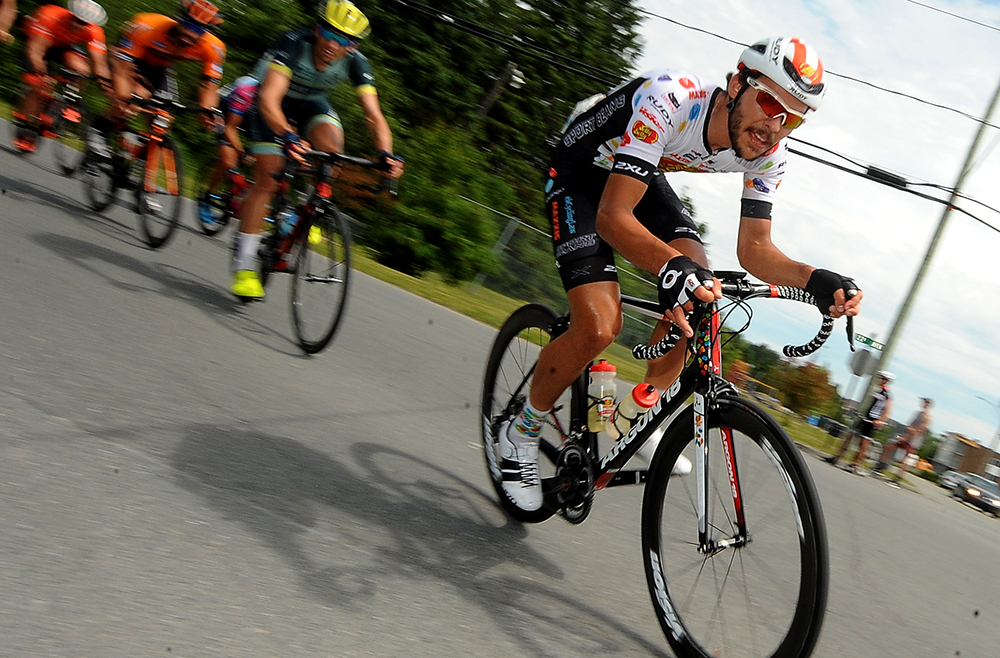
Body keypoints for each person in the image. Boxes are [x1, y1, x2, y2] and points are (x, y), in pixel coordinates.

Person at [499, 37, 863, 512]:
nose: (775, 126)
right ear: (736, 84)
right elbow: (612, 216)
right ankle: (520, 432)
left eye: (791, 118)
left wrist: (815, 280)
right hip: (581, 173)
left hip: (638, 175)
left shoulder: (770, 153)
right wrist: (669, 265)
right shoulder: (671, 98)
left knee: (702, 288)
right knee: (599, 325)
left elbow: (755, 250)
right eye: (771, 102)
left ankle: (634, 413)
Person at [230, 0, 403, 300]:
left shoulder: (357, 63)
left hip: (312, 104)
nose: (332, 44)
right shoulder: (294, 43)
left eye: (343, 40)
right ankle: (244, 266)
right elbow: (270, 98)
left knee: (332, 153)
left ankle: (303, 211)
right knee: (269, 178)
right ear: (316, 29)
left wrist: (386, 153)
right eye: (328, 33)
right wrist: (286, 135)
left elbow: (373, 115)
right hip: (271, 102)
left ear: (352, 46)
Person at [95, 0, 225, 151]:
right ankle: (99, 130)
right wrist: (123, 98)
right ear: (178, 20)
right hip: (127, 60)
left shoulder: (214, 48)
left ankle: (139, 156)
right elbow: (122, 69)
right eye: (188, 26)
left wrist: (207, 111)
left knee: (163, 118)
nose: (191, 33)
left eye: (199, 31)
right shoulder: (147, 25)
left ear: (207, 33)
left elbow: (210, 85)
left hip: (160, 68)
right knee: (132, 97)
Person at [12, 0, 112, 153]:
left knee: (82, 69)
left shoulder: (95, 31)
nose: (79, 25)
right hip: (37, 41)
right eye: (76, 20)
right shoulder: (50, 15)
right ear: (70, 14)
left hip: (63, 45)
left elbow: (100, 64)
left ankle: (70, 103)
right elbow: (36, 50)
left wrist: (106, 85)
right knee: (38, 83)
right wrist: (41, 74)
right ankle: (28, 127)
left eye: (84, 23)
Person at [197, 74, 258, 229]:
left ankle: (238, 189)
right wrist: (242, 153)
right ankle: (207, 197)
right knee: (228, 160)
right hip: (224, 111)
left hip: (248, 117)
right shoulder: (246, 91)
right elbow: (230, 128)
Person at [824, 371, 894, 475]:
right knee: (849, 436)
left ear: (887, 381)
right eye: (880, 378)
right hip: (865, 418)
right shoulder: (878, 391)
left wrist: (881, 421)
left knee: (863, 444)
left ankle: (855, 465)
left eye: (882, 378)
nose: (880, 380)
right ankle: (837, 457)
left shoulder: (886, 394)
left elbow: (887, 409)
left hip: (872, 421)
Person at [873, 396, 932, 477]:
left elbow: (918, 430)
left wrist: (907, 436)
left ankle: (897, 477)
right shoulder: (918, 413)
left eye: (925, 402)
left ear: (928, 404)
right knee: (888, 447)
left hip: (914, 441)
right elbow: (910, 425)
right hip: (907, 436)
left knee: (906, 459)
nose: (923, 404)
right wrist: (907, 430)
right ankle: (881, 467)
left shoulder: (927, 418)